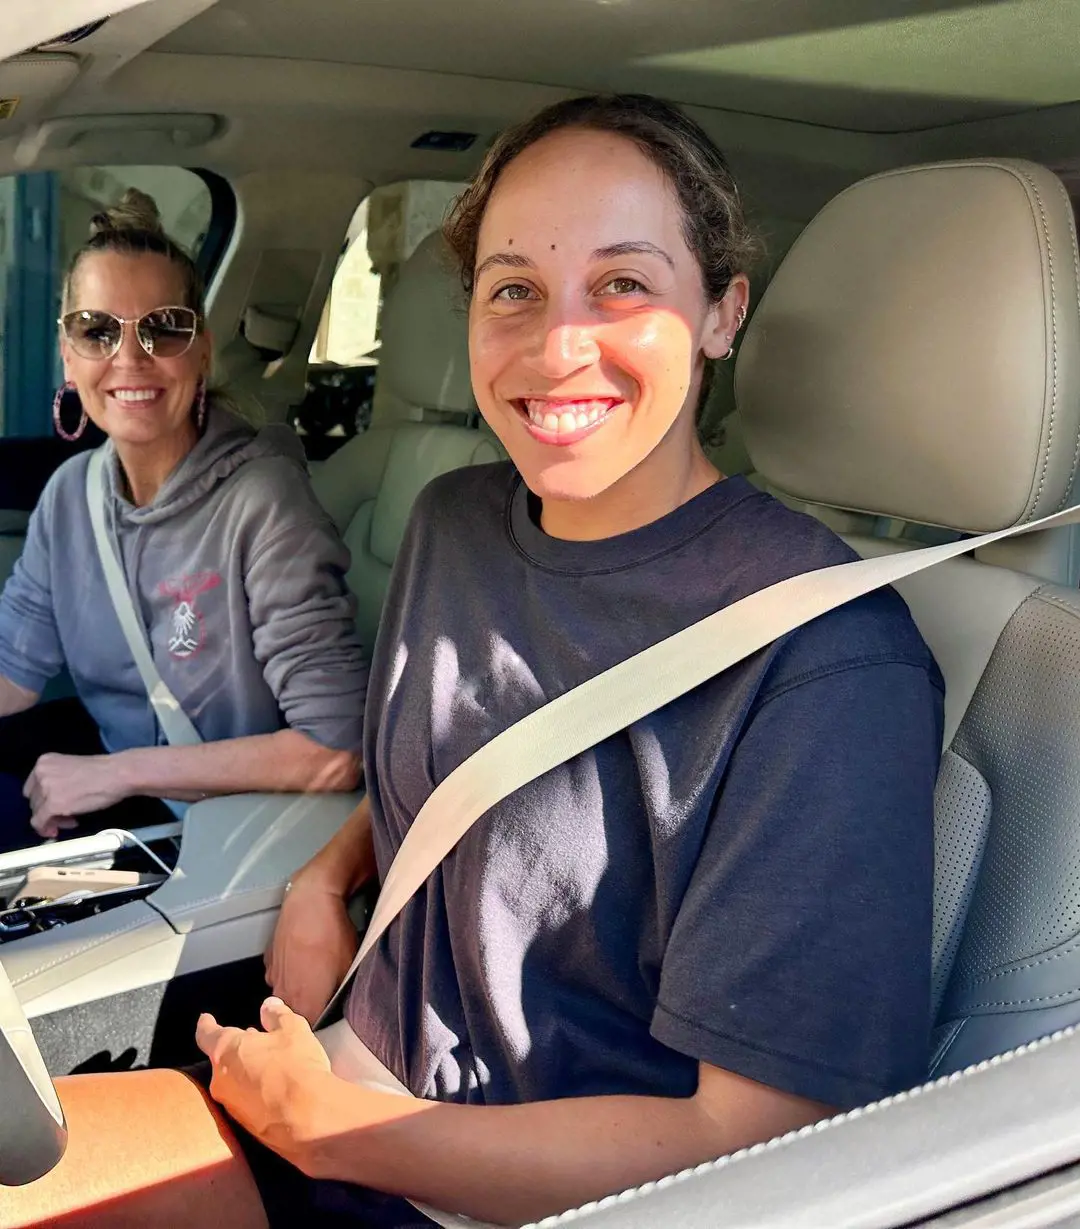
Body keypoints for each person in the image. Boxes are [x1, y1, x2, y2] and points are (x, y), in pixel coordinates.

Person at [2, 96, 943, 1229]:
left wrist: (326, 1127)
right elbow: (450, 760)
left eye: (624, 284)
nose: (557, 345)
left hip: (503, 1191)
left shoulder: (823, 657)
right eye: (514, 290)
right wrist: (325, 876)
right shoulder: (458, 521)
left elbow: (756, 1139)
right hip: (345, 1082)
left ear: (722, 312)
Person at [0, 189, 366, 854]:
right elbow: (12, 677)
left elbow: (335, 750)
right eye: (97, 330)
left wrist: (116, 774)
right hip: (128, 808)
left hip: (237, 837)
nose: (130, 357)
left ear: (201, 350)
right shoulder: (69, 497)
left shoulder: (263, 503)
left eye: (163, 327)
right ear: (67, 353)